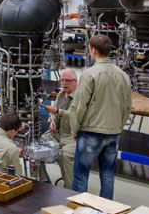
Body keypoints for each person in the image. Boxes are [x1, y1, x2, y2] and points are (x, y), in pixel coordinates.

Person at [64, 34, 132, 199]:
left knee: (81, 176)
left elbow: (79, 106)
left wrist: (75, 129)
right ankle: (106, 210)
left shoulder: (89, 74)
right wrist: (118, 127)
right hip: (113, 132)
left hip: (91, 132)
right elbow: (127, 106)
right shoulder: (123, 75)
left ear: (93, 50)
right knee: (108, 175)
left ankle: (79, 209)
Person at [44, 68, 79, 188]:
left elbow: (76, 116)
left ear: (76, 82)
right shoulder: (61, 95)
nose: (64, 83)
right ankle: (44, 181)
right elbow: (54, 113)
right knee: (37, 147)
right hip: (59, 133)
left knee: (65, 154)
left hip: (74, 136)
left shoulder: (80, 97)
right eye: (62, 80)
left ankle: (70, 188)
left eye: (68, 81)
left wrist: (58, 111)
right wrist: (52, 121)